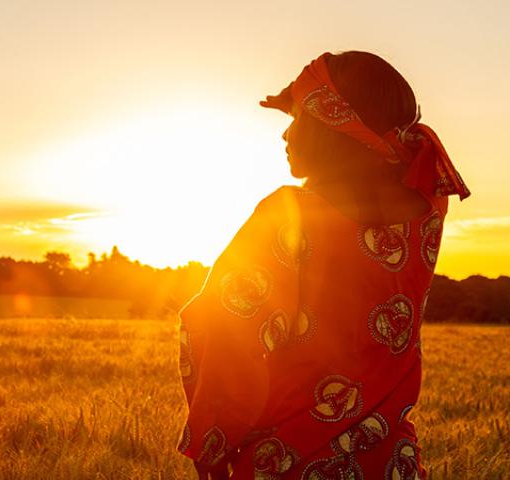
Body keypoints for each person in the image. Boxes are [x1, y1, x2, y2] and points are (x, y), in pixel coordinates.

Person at [175, 51, 470, 480]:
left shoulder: (287, 216)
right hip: (393, 464)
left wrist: (212, 444)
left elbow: (222, 334)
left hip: (290, 460)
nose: (286, 135)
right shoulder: (429, 209)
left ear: (331, 125)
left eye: (298, 120)